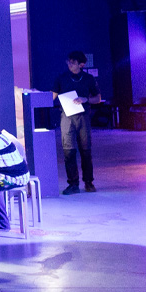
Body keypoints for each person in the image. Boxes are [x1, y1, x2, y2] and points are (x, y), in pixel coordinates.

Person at [52, 50, 101, 194]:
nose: (70, 64)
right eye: (69, 62)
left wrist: (85, 99)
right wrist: (38, 96)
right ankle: (73, 184)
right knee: (68, 151)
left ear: (81, 64)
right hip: (66, 117)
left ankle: (88, 182)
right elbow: (52, 96)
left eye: (73, 62)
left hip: (83, 117)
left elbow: (98, 98)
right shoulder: (61, 78)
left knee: (86, 150)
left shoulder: (88, 79)